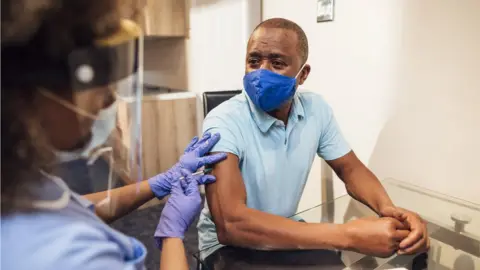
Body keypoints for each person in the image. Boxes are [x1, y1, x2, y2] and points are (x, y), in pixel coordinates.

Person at [0, 1, 225, 269]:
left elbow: (79, 207)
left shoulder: (20, 182)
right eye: (94, 74)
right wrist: (172, 235)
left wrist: (157, 183)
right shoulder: (75, 257)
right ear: (30, 88)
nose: (109, 99)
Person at [197, 18, 430, 265]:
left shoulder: (315, 109)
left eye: (277, 63)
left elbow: (350, 168)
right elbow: (231, 224)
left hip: (285, 229)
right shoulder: (223, 121)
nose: (261, 72)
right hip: (227, 246)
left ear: (303, 74)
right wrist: (348, 235)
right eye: (254, 61)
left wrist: (388, 209)